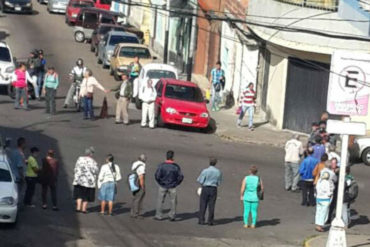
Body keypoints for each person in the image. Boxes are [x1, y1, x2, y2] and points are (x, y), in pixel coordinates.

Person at [154, 150, 184, 221]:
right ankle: (172, 215)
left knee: (160, 200)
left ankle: (158, 215)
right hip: (172, 186)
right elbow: (180, 177)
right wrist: (176, 183)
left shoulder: (162, 166)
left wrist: (160, 182)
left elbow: (157, 176)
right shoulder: (176, 167)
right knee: (173, 201)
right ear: (172, 157)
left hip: (163, 185)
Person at [73, 147, 99, 213]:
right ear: (91, 154)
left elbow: (76, 168)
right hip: (89, 182)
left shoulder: (80, 159)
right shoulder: (93, 162)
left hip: (79, 180)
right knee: (86, 196)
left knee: (79, 194)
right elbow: (96, 171)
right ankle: (84, 209)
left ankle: (78, 208)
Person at [197, 157, 222, 226]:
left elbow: (200, 180)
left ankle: (201, 220)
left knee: (203, 204)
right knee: (212, 205)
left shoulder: (205, 171)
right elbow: (219, 182)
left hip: (205, 188)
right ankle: (210, 220)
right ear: (215, 163)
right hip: (213, 188)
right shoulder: (218, 172)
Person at [130, 154, 147, 218]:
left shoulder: (135, 163)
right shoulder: (142, 166)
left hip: (133, 183)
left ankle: (132, 212)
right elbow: (141, 177)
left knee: (134, 198)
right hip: (138, 184)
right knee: (139, 199)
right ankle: (136, 213)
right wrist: (142, 186)